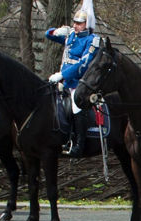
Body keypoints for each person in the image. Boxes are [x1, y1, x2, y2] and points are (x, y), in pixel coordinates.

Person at [45, 0, 100, 157]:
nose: (76, 26)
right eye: (75, 22)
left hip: (80, 82)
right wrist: (56, 31)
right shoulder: (71, 36)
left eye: (80, 23)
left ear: (86, 24)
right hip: (65, 81)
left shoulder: (92, 40)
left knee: (76, 106)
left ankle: (79, 144)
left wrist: (62, 75)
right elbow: (47, 35)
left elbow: (83, 64)